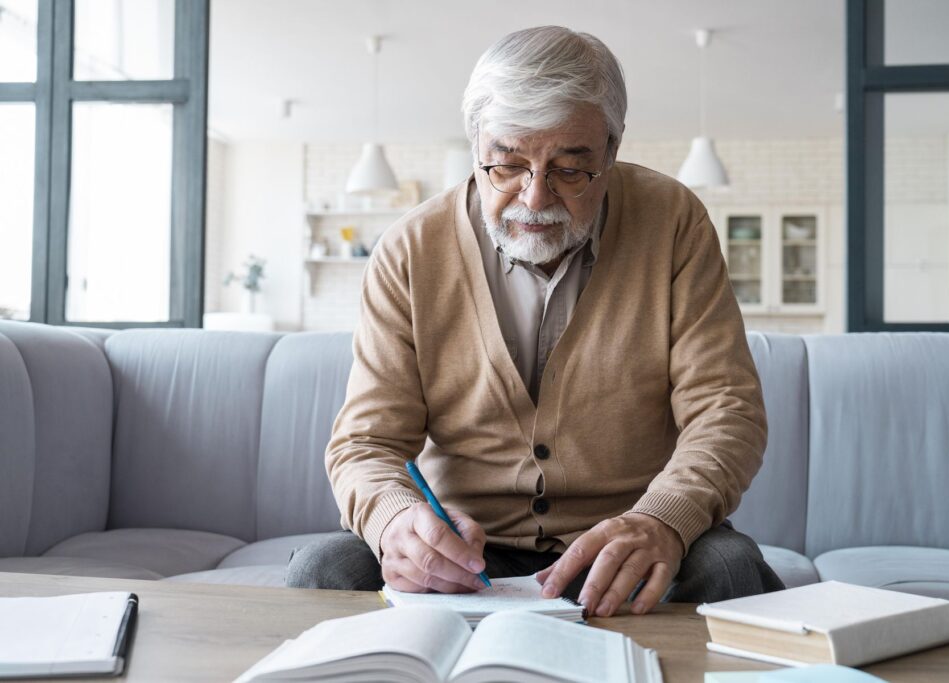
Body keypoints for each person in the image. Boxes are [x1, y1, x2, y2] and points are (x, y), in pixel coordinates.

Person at [287, 25, 784, 616]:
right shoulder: (410, 250)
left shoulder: (674, 223)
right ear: (476, 147)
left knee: (730, 568)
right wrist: (396, 521)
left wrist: (661, 520)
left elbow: (726, 410)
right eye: (506, 164)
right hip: (465, 551)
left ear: (612, 150)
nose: (534, 197)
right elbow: (366, 442)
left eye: (571, 170)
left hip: (623, 541)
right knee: (325, 570)